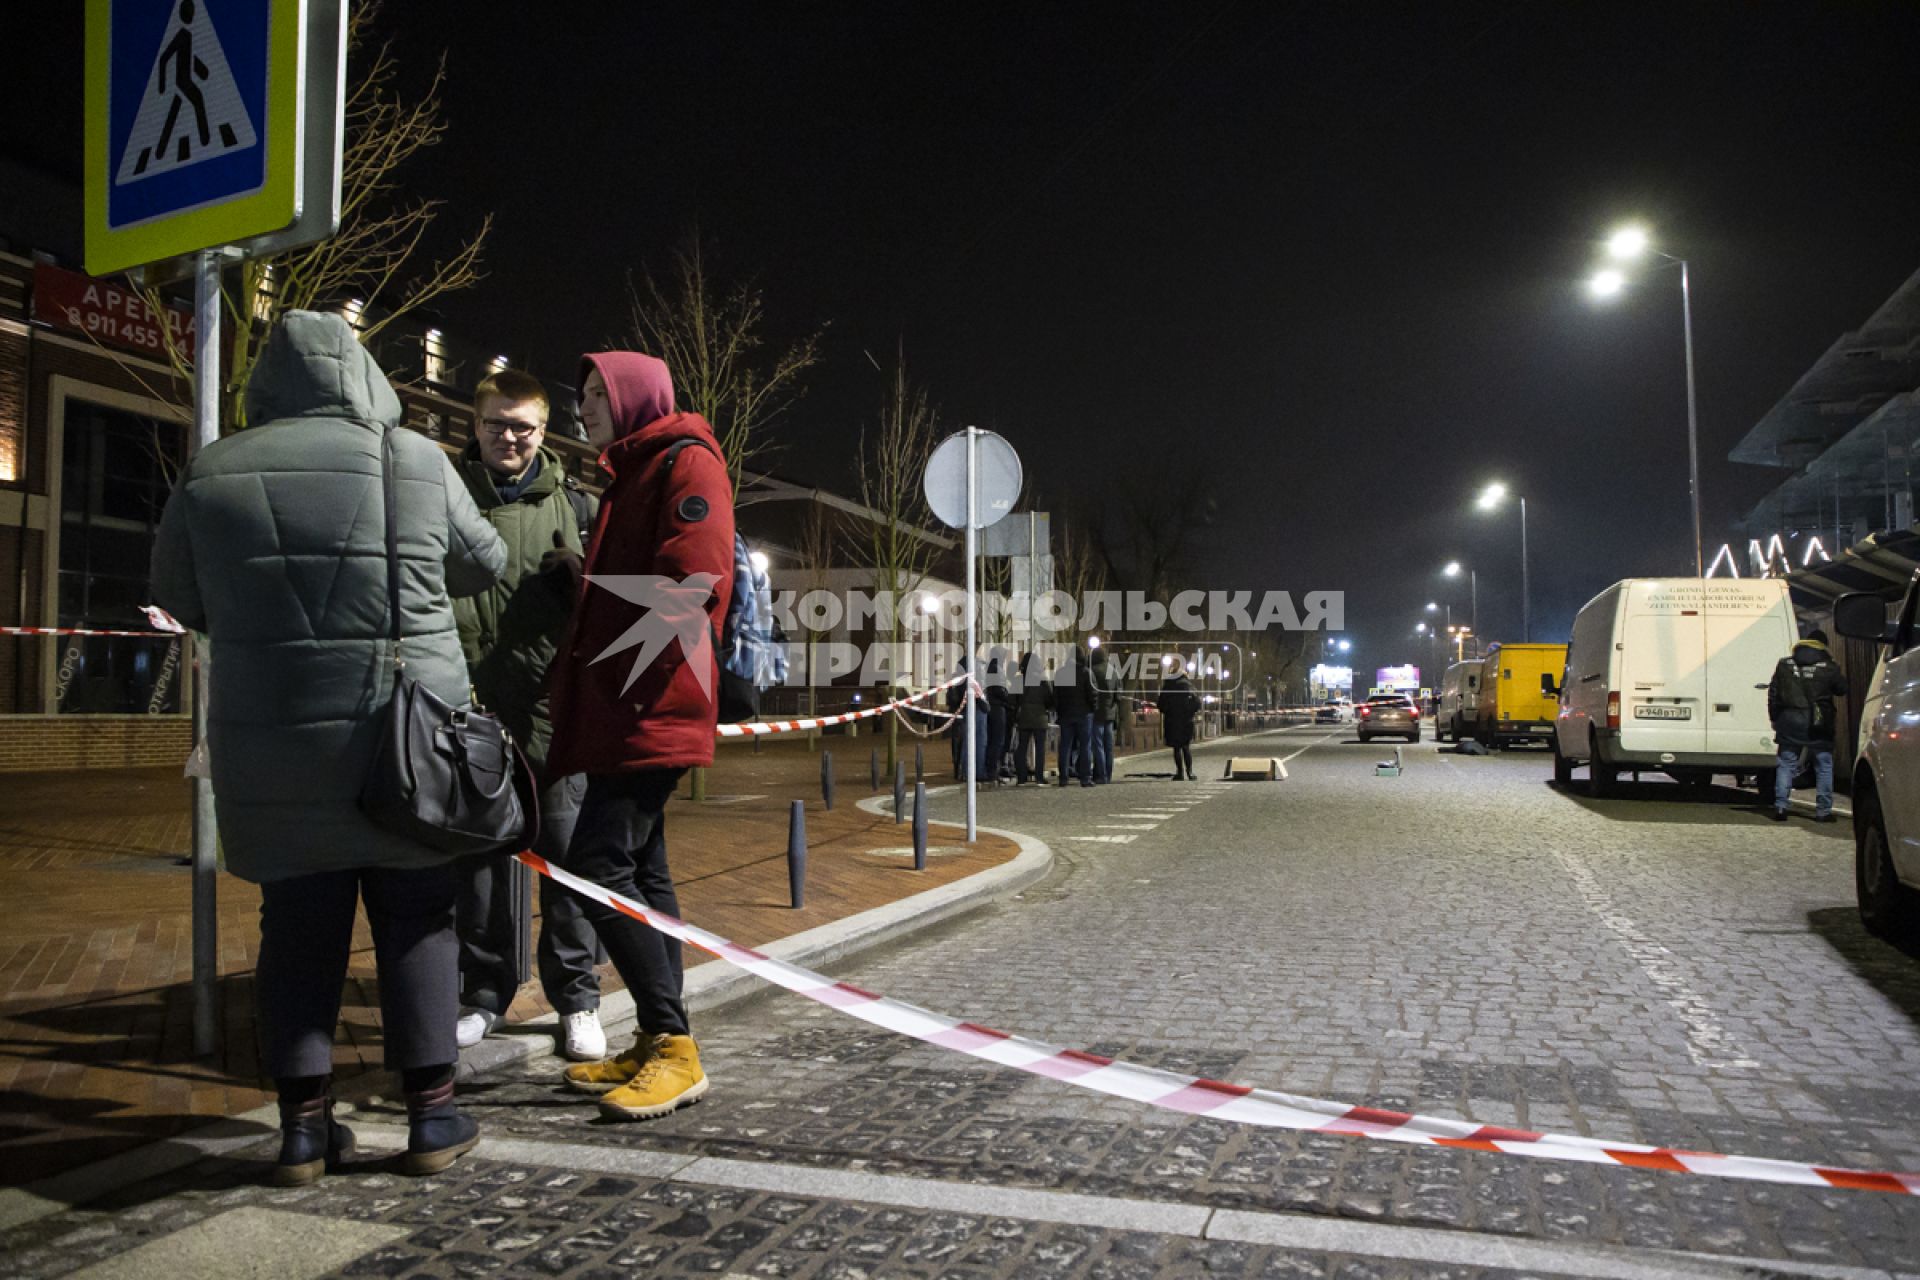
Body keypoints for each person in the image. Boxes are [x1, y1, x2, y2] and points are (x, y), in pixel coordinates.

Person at [151, 311, 505, 1183]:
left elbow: (174, 594)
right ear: (362, 375)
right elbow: (485, 562)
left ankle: (304, 1132)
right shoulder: (415, 459)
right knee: (419, 919)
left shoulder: (211, 473)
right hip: (405, 742)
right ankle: (432, 1117)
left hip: (273, 747)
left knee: (296, 929)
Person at [546, 351, 735, 1121]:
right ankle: (665, 1040)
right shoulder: (636, 471)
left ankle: (672, 1042)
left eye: (598, 392)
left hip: (653, 705)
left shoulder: (686, 464)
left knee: (595, 863)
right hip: (632, 706)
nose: (584, 404)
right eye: (580, 391)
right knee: (643, 871)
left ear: (634, 397)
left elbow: (695, 581)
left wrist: (618, 672)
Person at [450, 369, 606, 1062]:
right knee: (478, 865)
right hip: (469, 710)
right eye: (496, 424)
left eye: (523, 427)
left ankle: (576, 1000)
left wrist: (583, 583)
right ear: (475, 425)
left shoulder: (575, 505)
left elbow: (615, 607)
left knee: (568, 863)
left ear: (544, 433)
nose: (509, 438)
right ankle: (483, 994)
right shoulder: (444, 495)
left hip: (550, 712)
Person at [1767, 627, 1847, 823]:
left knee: (1786, 763)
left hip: (1789, 719)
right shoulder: (1828, 666)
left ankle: (1780, 807)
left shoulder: (1784, 665)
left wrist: (1775, 718)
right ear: (1823, 646)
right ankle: (1823, 811)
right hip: (1819, 721)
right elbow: (1842, 689)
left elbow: (1773, 694)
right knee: (1824, 765)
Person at [1054, 642, 1097, 787]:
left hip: (1066, 714)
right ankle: (1085, 777)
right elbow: (1093, 694)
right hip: (1084, 714)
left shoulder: (1060, 673)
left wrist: (1059, 710)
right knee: (1085, 746)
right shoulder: (1086, 673)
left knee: (1065, 746)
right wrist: (1093, 708)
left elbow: (1056, 696)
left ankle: (1063, 777)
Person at [1012, 651, 1052, 784]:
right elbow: (1050, 700)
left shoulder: (1018, 680)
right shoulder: (1043, 681)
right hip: (1040, 718)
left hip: (1024, 717)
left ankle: (1021, 776)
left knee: (1022, 747)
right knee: (1040, 748)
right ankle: (1039, 777)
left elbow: (1013, 700)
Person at [1159, 666, 1201, 781]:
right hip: (1187, 720)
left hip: (1172, 720)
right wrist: (1190, 712)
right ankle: (1190, 772)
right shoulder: (1189, 686)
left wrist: (1168, 711)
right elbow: (1197, 703)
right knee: (1186, 747)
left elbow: (1161, 704)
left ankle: (1180, 772)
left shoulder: (1168, 686)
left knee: (1176, 748)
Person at [1091, 653, 1122, 784]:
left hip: (1096, 713)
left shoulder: (1093, 671)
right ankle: (1108, 775)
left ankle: (1100, 774)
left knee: (1098, 745)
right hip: (1110, 713)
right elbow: (1119, 696)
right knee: (1108, 746)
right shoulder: (1114, 672)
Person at [983, 649, 1011, 787]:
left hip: (994, 706)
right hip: (998, 708)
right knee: (997, 741)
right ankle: (992, 771)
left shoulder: (991, 667)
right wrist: (1008, 697)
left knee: (994, 741)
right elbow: (999, 689)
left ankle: (993, 770)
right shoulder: (996, 668)